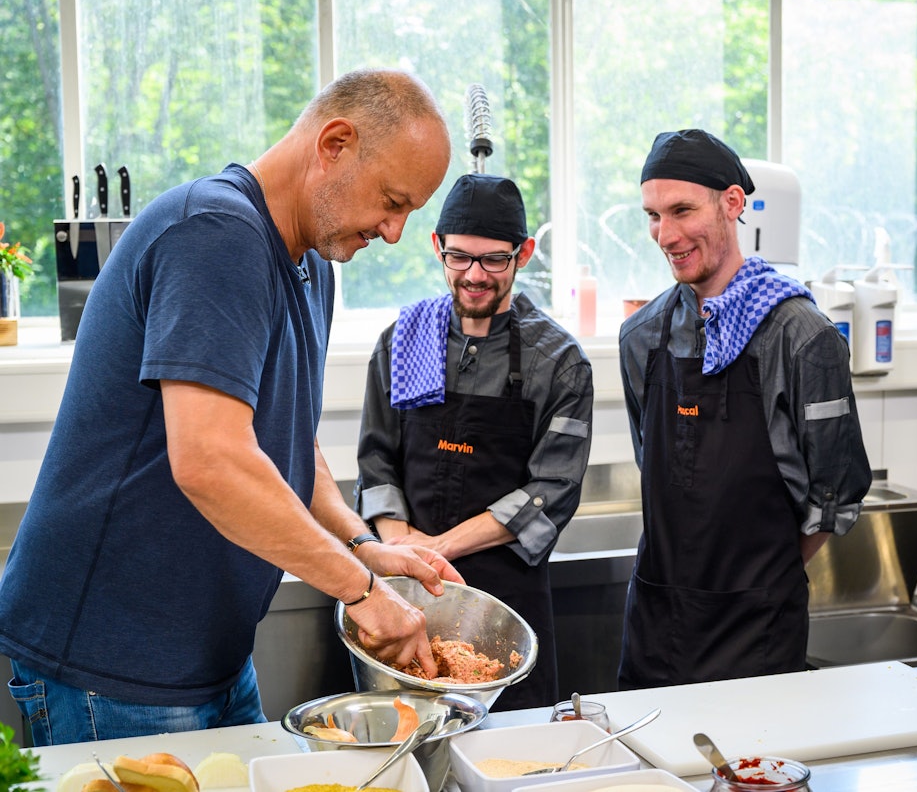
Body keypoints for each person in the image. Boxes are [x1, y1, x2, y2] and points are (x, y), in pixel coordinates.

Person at [0, 68, 464, 746]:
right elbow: (212, 461)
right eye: (392, 201)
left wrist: (364, 546)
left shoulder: (312, 266)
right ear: (334, 144)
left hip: (208, 656)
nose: (394, 233)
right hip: (114, 664)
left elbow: (284, 445)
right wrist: (360, 594)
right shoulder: (217, 234)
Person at [617, 129, 872, 689]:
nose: (666, 234)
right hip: (657, 620)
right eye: (654, 215)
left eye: (682, 210)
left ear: (732, 203)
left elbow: (836, 491)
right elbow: (651, 461)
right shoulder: (641, 336)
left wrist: (757, 579)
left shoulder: (802, 337)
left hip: (756, 626)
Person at [355, 173, 594, 710]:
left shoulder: (557, 362)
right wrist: (400, 547)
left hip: (504, 603)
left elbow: (551, 490)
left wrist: (435, 551)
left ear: (524, 253)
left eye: (494, 260)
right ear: (438, 246)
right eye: (460, 257)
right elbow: (375, 461)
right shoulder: (404, 340)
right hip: (402, 591)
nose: (474, 276)